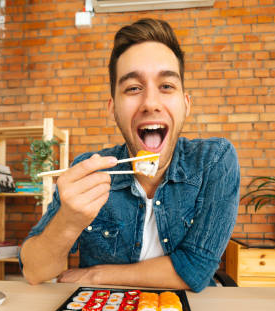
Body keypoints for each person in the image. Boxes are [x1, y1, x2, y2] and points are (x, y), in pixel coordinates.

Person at [20, 18, 239, 292]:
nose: (150, 103)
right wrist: (68, 220)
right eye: (133, 88)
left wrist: (97, 276)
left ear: (185, 104)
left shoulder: (215, 161)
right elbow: (35, 271)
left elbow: (195, 269)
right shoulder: (91, 170)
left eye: (167, 86)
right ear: (112, 108)